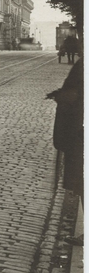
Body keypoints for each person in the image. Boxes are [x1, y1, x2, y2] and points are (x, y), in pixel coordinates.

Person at [47, 57, 83, 209]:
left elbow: (73, 93)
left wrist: (62, 97)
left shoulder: (83, 64)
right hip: (78, 131)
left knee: (80, 177)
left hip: (78, 132)